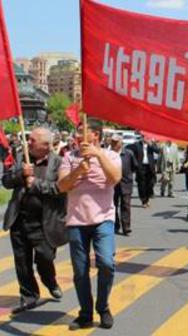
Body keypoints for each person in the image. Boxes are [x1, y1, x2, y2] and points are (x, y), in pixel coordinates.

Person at [58, 120, 122, 330]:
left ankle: (102, 307)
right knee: (80, 270)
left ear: (96, 135)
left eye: (83, 132)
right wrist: (78, 171)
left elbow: (114, 178)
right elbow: (62, 186)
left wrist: (98, 155)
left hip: (103, 219)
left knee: (106, 263)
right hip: (76, 220)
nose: (78, 137)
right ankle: (85, 313)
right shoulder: (69, 157)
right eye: (77, 133)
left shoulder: (111, 155)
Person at [2, 127, 67, 313]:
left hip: (44, 223)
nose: (27, 142)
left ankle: (49, 280)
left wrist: (36, 183)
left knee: (45, 258)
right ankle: (29, 295)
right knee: (22, 261)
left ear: (46, 145)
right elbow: (6, 181)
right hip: (19, 219)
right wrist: (20, 174)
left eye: (32, 140)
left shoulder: (59, 163)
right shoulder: (22, 158)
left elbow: (60, 189)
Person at [112, 135, 138, 236]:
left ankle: (126, 227)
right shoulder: (108, 154)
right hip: (113, 184)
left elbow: (134, 166)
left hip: (126, 183)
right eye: (113, 142)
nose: (114, 144)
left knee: (126, 205)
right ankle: (115, 225)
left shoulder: (128, 153)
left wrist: (128, 175)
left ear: (121, 143)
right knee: (113, 205)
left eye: (116, 142)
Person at [128, 136, 157, 208]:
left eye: (147, 137)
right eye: (145, 137)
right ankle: (144, 201)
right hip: (141, 167)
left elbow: (158, 151)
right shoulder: (137, 145)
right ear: (142, 138)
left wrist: (151, 144)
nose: (146, 139)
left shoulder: (151, 145)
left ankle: (148, 197)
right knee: (141, 184)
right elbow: (128, 148)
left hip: (150, 167)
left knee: (150, 183)